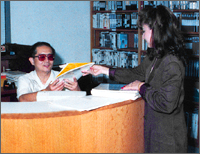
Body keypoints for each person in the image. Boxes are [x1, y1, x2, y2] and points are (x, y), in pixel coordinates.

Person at [82, 5, 188, 153]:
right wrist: (105, 70)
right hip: (154, 130)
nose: (143, 36)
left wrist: (141, 87)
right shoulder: (155, 56)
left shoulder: (172, 63)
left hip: (168, 138)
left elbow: (166, 103)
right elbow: (136, 74)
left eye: (144, 31)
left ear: (156, 31)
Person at [17, 42, 81, 102]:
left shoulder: (63, 77)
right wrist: (46, 91)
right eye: (42, 57)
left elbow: (78, 101)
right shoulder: (25, 79)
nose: (47, 61)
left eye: (50, 57)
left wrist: (77, 89)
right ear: (32, 61)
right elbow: (22, 99)